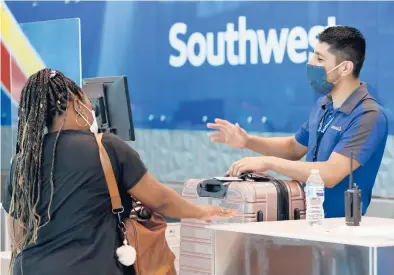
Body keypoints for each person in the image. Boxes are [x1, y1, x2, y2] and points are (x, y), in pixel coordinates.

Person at [3, 69, 236, 275]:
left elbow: (17, 231)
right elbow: (161, 200)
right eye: (87, 101)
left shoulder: (23, 160)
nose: (92, 108)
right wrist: (200, 211)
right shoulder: (106, 147)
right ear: (75, 104)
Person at [207, 26, 388, 218]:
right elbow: (294, 147)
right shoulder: (324, 104)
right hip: (306, 220)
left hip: (341, 228)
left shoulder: (368, 115)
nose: (311, 63)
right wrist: (247, 141)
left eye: (319, 59)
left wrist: (268, 162)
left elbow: (330, 174)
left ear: (345, 67)